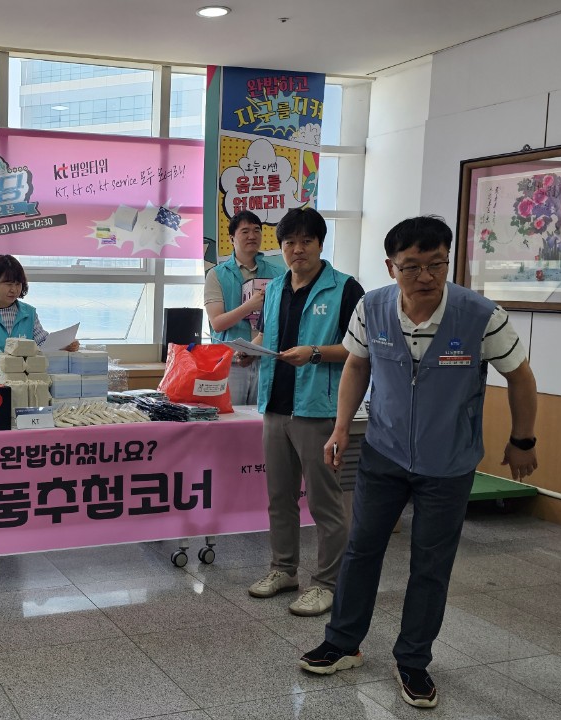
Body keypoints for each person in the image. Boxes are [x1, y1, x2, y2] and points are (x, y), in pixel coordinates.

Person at [299, 216, 538, 710]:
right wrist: (341, 428)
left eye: (436, 264)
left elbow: (520, 376)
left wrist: (523, 439)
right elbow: (357, 365)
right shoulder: (372, 308)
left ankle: (412, 660)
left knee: (430, 564)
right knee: (362, 550)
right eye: (411, 266)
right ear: (391, 267)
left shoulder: (480, 315)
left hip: (448, 463)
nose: (425, 276)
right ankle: (342, 643)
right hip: (383, 453)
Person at [248, 207, 365, 617]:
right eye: (289, 243)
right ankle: (284, 570)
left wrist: (314, 353)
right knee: (279, 497)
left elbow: (359, 350)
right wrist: (249, 351)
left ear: (320, 244)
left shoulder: (345, 289)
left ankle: (328, 583)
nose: (297, 250)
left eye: (305, 242)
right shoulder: (275, 288)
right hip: (275, 406)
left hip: (318, 409)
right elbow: (271, 335)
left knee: (324, 502)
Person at [204, 210, 286, 407]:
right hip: (231, 362)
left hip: (266, 360)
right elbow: (217, 323)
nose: (252, 236)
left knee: (263, 417)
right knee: (230, 417)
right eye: (245, 231)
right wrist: (249, 306)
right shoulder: (216, 275)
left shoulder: (278, 273)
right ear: (232, 238)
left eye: (257, 230)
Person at [0, 254, 78, 384]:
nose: (14, 289)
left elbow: (42, 345)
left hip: (20, 389)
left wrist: (65, 345)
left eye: (18, 284)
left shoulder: (29, 313)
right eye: (8, 284)